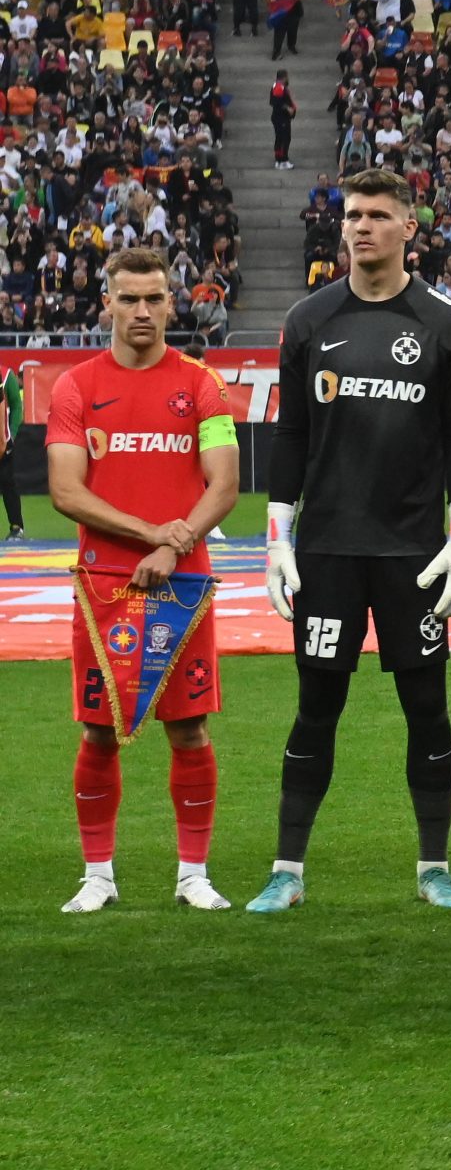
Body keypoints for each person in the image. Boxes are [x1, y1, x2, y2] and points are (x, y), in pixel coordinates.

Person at [251, 171, 451, 913]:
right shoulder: (310, 319)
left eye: (379, 215)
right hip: (327, 553)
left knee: (428, 708)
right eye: (353, 214)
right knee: (316, 708)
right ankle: (287, 871)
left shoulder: (445, 324)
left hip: (412, 556)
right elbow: (290, 435)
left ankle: (434, 868)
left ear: (410, 228)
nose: (362, 227)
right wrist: (277, 539)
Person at [46, 248, 239, 914]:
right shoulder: (75, 386)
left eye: (154, 298)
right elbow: (66, 491)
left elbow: (225, 483)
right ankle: (97, 875)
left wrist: (176, 540)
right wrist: (150, 534)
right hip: (105, 587)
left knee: (189, 730)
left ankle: (194, 875)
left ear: (171, 302)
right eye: (128, 298)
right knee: (99, 731)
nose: (142, 311)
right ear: (107, 302)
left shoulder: (201, 385)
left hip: (183, 587)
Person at [1, 360, 23, 538]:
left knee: (8, 483)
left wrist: (12, 435)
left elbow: (16, 406)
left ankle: (16, 527)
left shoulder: (6, 375)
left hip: (2, 441)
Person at [270, 71, 296, 171]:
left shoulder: (276, 86)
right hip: (281, 119)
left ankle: (278, 160)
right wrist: (288, 108)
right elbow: (276, 102)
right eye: (287, 77)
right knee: (285, 139)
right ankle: (283, 161)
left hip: (280, 118)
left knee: (280, 139)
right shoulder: (278, 87)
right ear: (284, 78)